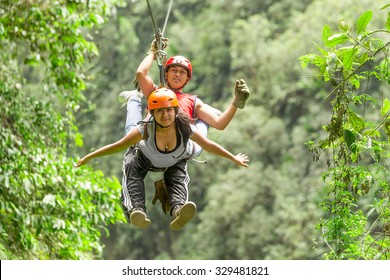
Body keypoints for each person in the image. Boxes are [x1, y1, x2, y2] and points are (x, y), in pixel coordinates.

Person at [76, 88, 249, 230]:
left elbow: (209, 145)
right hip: (144, 158)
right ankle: (136, 209)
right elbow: (119, 146)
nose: (164, 115)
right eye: (159, 111)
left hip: (176, 159)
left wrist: (233, 158)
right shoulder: (145, 129)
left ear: (175, 111)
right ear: (152, 113)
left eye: (168, 110)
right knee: (130, 163)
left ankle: (178, 209)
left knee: (179, 174)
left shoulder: (185, 128)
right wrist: (91, 156)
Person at [119, 38, 251, 159]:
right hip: (153, 143)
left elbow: (220, 124)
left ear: (187, 79)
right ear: (166, 73)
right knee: (131, 136)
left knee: (202, 128)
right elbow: (141, 74)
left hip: (177, 148)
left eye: (182, 72)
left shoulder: (192, 102)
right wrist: (152, 53)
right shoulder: (157, 93)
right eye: (174, 70)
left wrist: (236, 102)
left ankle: (204, 118)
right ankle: (134, 97)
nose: (177, 75)